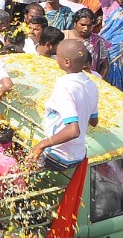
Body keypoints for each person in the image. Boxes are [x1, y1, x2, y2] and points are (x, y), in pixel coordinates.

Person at [30, 39, 98, 170]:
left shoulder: (64, 86)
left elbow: (73, 130)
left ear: (67, 62)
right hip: (78, 155)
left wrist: (42, 144)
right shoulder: (91, 84)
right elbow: (94, 121)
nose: (56, 59)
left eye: (58, 56)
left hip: (57, 155)